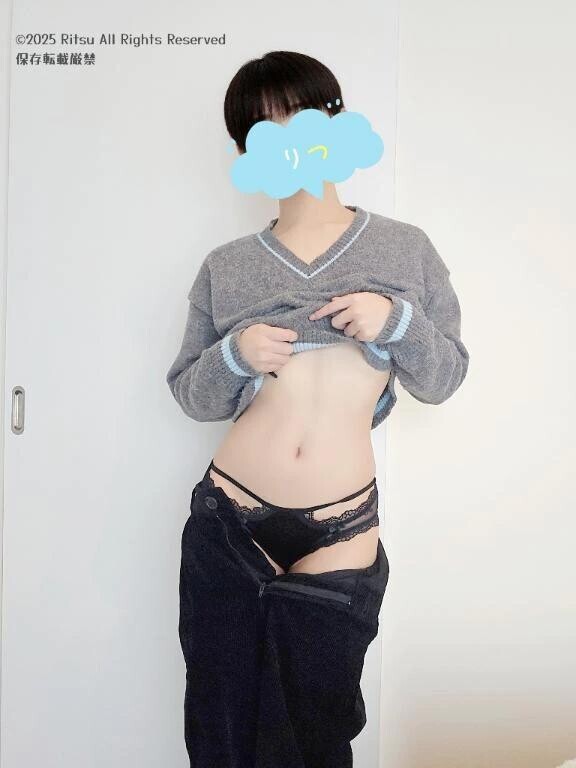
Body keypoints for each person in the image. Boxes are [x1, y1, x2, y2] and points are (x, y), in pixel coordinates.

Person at [167, 50, 469, 768]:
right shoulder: (226, 266)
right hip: (229, 515)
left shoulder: (405, 249)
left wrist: (395, 321)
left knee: (316, 728)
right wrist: (235, 354)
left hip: (342, 523)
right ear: (245, 151)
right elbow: (190, 393)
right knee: (220, 723)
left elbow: (445, 377)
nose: (286, 140)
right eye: (262, 128)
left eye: (298, 116)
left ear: (336, 122)